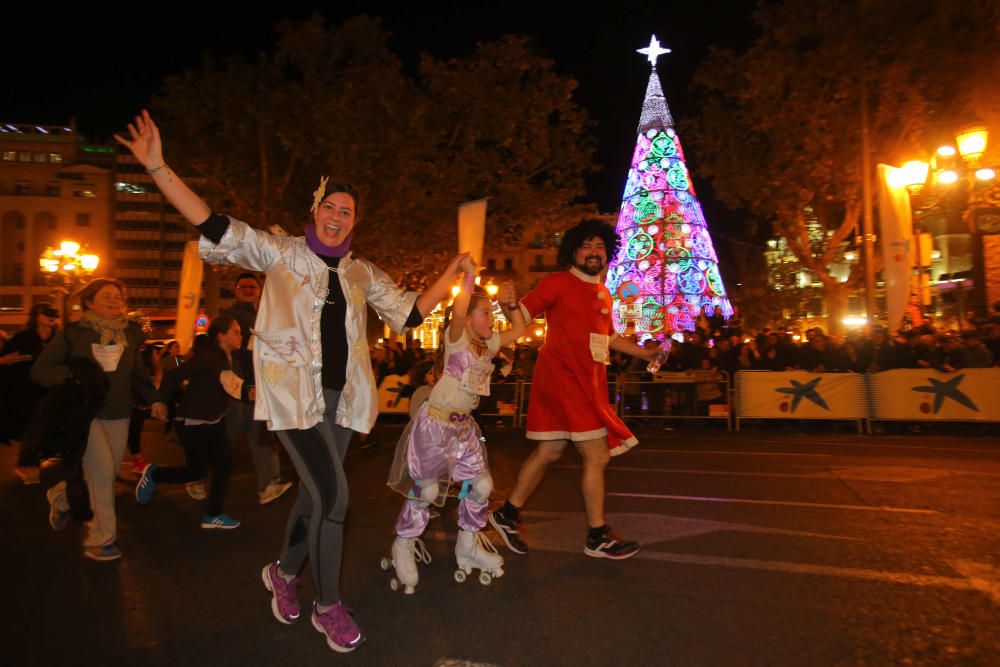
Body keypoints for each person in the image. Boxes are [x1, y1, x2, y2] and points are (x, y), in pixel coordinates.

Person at [116, 110, 467, 653]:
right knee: (335, 498)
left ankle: (284, 572)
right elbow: (213, 225)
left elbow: (411, 316)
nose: (336, 215)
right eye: (329, 206)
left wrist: (450, 274)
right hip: (294, 400)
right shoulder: (279, 252)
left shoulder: (362, 272)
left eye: (346, 211)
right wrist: (159, 166)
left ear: (355, 222)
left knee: (311, 496)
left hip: (342, 402)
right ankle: (327, 606)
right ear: (315, 209)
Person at [488, 220, 659, 560]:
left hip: (586, 380)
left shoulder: (603, 292)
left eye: (599, 246)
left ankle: (507, 514)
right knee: (597, 455)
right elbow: (522, 313)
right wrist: (508, 304)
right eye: (586, 246)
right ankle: (597, 535)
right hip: (564, 379)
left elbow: (608, 337)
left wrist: (646, 352)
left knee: (549, 452)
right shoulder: (559, 282)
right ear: (573, 252)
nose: (594, 252)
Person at [386, 270, 525, 593]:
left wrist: (511, 304)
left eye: (492, 312)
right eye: (486, 312)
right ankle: (403, 544)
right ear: (470, 317)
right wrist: (467, 277)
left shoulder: (487, 345)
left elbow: (519, 328)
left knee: (482, 486)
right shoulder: (457, 338)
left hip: (464, 430)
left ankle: (467, 546)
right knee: (428, 492)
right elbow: (459, 310)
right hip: (435, 425)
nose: (492, 318)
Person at [32, 279, 167, 561]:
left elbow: (138, 374)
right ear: (89, 302)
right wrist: (72, 376)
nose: (114, 300)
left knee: (105, 471)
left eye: (118, 295)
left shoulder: (129, 333)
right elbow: (41, 370)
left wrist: (154, 399)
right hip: (83, 415)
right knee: (104, 473)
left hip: (119, 413)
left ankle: (60, 496)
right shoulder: (74, 333)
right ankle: (100, 538)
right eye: (106, 296)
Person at [135, 315, 247, 528]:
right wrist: (160, 402)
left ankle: (212, 514)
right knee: (197, 470)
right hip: (192, 423)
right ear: (222, 336)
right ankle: (154, 473)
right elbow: (173, 376)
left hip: (214, 421)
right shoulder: (208, 358)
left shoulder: (227, 356)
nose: (240, 336)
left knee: (224, 465)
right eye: (236, 331)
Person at [222, 272, 293, 505]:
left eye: (252, 286)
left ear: (259, 289)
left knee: (262, 435)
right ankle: (197, 475)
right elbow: (226, 349)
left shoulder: (267, 314)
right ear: (235, 290)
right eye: (243, 286)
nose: (248, 289)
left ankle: (269, 484)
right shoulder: (228, 317)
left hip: (261, 385)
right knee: (226, 438)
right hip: (238, 385)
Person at [2, 302, 60, 484]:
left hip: (50, 391)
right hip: (25, 392)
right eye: (46, 313)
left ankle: (35, 458)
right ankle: (26, 463)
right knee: (31, 427)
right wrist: (5, 361)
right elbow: (3, 358)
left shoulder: (59, 339)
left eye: (53, 313)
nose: (51, 316)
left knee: (47, 427)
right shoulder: (23, 337)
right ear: (37, 316)